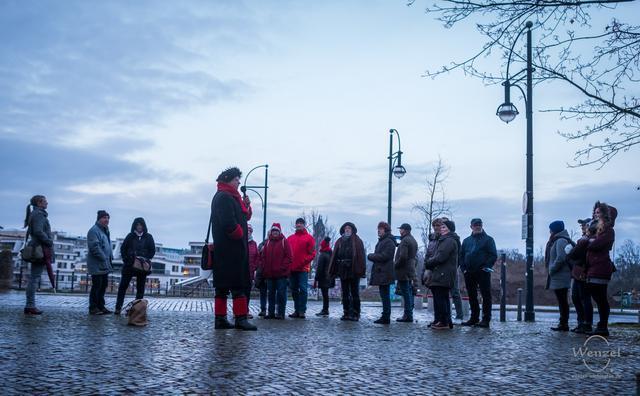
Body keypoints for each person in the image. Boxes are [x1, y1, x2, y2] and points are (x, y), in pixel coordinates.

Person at [210, 167, 256, 331]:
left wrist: (246, 206)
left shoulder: (231, 196)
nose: (238, 182)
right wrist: (239, 233)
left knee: (223, 287)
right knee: (238, 286)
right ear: (229, 179)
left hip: (228, 250)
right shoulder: (224, 197)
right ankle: (240, 318)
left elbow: (243, 216)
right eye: (237, 179)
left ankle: (221, 319)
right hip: (231, 250)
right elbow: (228, 223)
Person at [585, 201, 618, 337]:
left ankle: (603, 326)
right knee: (596, 297)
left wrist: (589, 241)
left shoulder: (608, 230)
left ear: (604, 214)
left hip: (601, 267)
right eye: (595, 212)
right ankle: (601, 325)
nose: (595, 214)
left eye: (598, 212)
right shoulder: (595, 230)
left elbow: (595, 245)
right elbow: (588, 243)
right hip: (593, 268)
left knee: (601, 298)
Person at [459, 218, 497, 328]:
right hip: (469, 272)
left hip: (483, 272)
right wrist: (464, 269)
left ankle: (486, 319)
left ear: (482, 226)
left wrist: (486, 267)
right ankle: (474, 318)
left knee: (486, 296)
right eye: (475, 225)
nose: (478, 226)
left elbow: (493, 255)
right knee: (472, 296)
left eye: (479, 224)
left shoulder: (489, 240)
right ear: (471, 226)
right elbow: (461, 256)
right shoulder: (466, 241)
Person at [115, 217, 156, 315]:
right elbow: (123, 249)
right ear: (134, 226)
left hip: (141, 267)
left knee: (140, 288)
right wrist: (126, 259)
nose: (139, 227)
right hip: (129, 265)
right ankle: (118, 307)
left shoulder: (149, 237)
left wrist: (145, 258)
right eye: (137, 225)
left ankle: (137, 309)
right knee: (123, 287)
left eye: (141, 225)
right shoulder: (130, 236)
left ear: (143, 226)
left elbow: (152, 251)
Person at [424, 219, 460, 330]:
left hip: (443, 273)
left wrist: (429, 263)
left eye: (444, 227)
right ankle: (443, 320)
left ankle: (443, 322)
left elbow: (441, 256)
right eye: (441, 227)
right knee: (440, 297)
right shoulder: (444, 240)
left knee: (441, 298)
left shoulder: (448, 241)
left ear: (449, 229)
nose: (441, 229)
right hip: (440, 272)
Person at [328, 222, 366, 321]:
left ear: (352, 230)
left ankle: (356, 313)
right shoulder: (339, 241)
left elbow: (361, 257)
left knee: (354, 292)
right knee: (344, 292)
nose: (347, 230)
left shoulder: (357, 241)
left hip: (354, 270)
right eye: (346, 228)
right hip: (343, 269)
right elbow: (335, 256)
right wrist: (333, 269)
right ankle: (346, 312)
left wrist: (361, 271)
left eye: (349, 228)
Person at [23, 195, 54, 315]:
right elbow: (38, 231)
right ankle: (30, 305)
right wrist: (48, 241)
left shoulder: (35, 214)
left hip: (37, 248)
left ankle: (30, 305)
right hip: (40, 249)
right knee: (34, 278)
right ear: (39, 202)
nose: (47, 203)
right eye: (45, 201)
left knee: (34, 277)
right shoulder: (39, 214)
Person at [566, 218, 594, 333]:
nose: (582, 227)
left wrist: (572, 256)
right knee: (576, 298)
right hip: (577, 272)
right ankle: (581, 322)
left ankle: (586, 324)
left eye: (584, 225)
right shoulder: (583, 239)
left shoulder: (588, 239)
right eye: (581, 225)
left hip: (584, 272)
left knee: (584, 298)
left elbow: (578, 254)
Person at [259, 223, 292, 319]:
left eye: (276, 231)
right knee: (271, 294)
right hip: (270, 274)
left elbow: (289, 257)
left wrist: (282, 268)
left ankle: (281, 313)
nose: (275, 232)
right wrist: (264, 268)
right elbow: (263, 256)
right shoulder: (268, 242)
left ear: (279, 232)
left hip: (281, 274)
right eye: (273, 231)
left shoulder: (284, 242)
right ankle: (271, 313)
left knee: (281, 294)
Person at [544, 220, 573, 331]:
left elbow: (561, 258)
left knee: (562, 300)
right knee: (561, 300)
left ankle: (563, 324)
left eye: (551, 229)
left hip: (560, 276)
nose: (549, 231)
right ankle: (563, 323)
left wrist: (552, 269)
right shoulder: (558, 240)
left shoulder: (560, 241)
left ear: (555, 230)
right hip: (558, 276)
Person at [367, 221, 397, 325]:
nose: (378, 231)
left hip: (385, 272)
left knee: (385, 296)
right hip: (382, 272)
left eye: (381, 228)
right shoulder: (383, 241)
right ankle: (385, 316)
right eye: (378, 228)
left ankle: (386, 317)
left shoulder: (388, 242)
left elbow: (385, 256)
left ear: (386, 230)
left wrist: (371, 256)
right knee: (384, 295)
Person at [287, 217, 316, 319]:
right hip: (292, 269)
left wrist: (303, 262)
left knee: (303, 290)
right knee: (294, 290)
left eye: (300, 223)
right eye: (297, 223)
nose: (298, 225)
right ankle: (296, 310)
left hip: (303, 269)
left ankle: (302, 310)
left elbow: (312, 254)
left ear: (304, 225)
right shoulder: (290, 238)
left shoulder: (309, 238)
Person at [87, 210, 114, 315]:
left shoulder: (105, 230)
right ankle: (93, 307)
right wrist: (103, 258)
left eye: (108, 218)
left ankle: (101, 306)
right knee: (97, 286)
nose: (106, 220)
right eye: (104, 217)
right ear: (99, 219)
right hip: (97, 264)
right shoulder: (94, 230)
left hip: (104, 264)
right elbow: (94, 247)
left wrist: (109, 259)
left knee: (103, 286)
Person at [394, 223, 418, 323]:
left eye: (401, 229)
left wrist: (396, 265)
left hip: (404, 269)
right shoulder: (413, 240)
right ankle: (409, 314)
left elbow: (403, 256)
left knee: (406, 293)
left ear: (405, 230)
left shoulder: (405, 241)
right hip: (411, 268)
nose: (400, 231)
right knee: (409, 291)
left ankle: (408, 315)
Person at [314, 237, 334, 316]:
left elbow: (319, 268)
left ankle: (325, 310)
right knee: (326, 295)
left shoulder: (323, 255)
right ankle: (325, 309)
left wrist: (316, 278)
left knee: (325, 295)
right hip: (329, 277)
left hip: (323, 278)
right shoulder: (330, 253)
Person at [246, 224, 260, 319]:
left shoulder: (254, 244)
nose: (248, 232)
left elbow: (257, 257)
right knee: (239, 292)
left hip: (250, 272)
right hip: (239, 272)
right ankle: (237, 311)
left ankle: (245, 310)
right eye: (247, 230)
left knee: (247, 292)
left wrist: (254, 267)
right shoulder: (239, 242)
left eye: (250, 231)